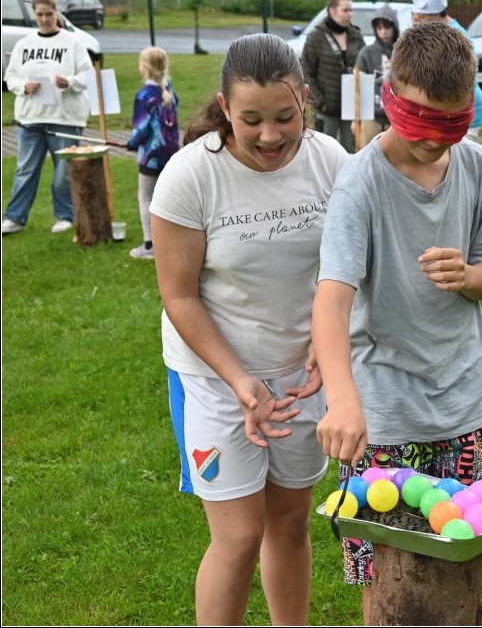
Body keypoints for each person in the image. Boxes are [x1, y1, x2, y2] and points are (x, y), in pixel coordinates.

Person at [312, 22, 482, 625]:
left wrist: (468, 275)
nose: (433, 140)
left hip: (462, 404)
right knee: (387, 571)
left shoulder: (480, 170)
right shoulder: (361, 182)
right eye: (420, 119)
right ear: (389, 96)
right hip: (384, 413)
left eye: (450, 124)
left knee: (474, 553)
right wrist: (343, 399)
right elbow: (331, 300)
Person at [149, 33, 351, 625]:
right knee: (238, 536)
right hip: (214, 377)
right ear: (223, 107)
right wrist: (239, 382)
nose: (270, 136)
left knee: (289, 523)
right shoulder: (190, 176)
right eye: (251, 120)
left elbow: (345, 269)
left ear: (306, 100)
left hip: (297, 377)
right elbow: (179, 296)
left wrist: (324, 339)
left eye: (285, 117)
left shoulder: (330, 161)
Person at [2, 0, 92, 236]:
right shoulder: (24, 45)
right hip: (30, 117)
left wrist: (70, 82)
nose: (44, 19)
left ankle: (64, 216)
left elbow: (87, 75)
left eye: (49, 14)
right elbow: (10, 76)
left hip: (64, 117)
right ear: (34, 14)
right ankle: (15, 217)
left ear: (56, 13)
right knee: (26, 169)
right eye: (39, 15)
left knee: (63, 171)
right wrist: (23, 87)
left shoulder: (72, 43)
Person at [409, 0, 482, 137]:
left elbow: (460, 81)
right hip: (449, 111)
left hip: (464, 112)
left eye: (423, 18)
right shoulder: (437, 32)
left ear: (437, 14)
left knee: (460, 159)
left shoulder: (457, 36)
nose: (420, 22)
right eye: (417, 18)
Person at [124, 47, 180, 260]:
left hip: (151, 156)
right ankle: (170, 241)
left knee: (146, 197)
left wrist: (132, 142)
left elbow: (141, 127)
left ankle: (150, 245)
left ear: (144, 68)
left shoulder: (144, 95)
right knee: (165, 198)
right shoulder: (169, 91)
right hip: (171, 153)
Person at [300, 0, 365, 151]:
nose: (350, 14)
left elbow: (365, 65)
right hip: (327, 108)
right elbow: (306, 72)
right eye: (345, 10)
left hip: (351, 106)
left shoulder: (356, 35)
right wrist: (320, 102)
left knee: (350, 149)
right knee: (323, 150)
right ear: (332, 10)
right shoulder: (316, 37)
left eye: (351, 10)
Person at [353, 3, 400, 149]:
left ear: (395, 27)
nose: (384, 32)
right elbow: (356, 88)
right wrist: (355, 120)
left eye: (387, 27)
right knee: (367, 158)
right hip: (371, 117)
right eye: (379, 28)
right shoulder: (366, 53)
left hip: (397, 118)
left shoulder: (403, 52)